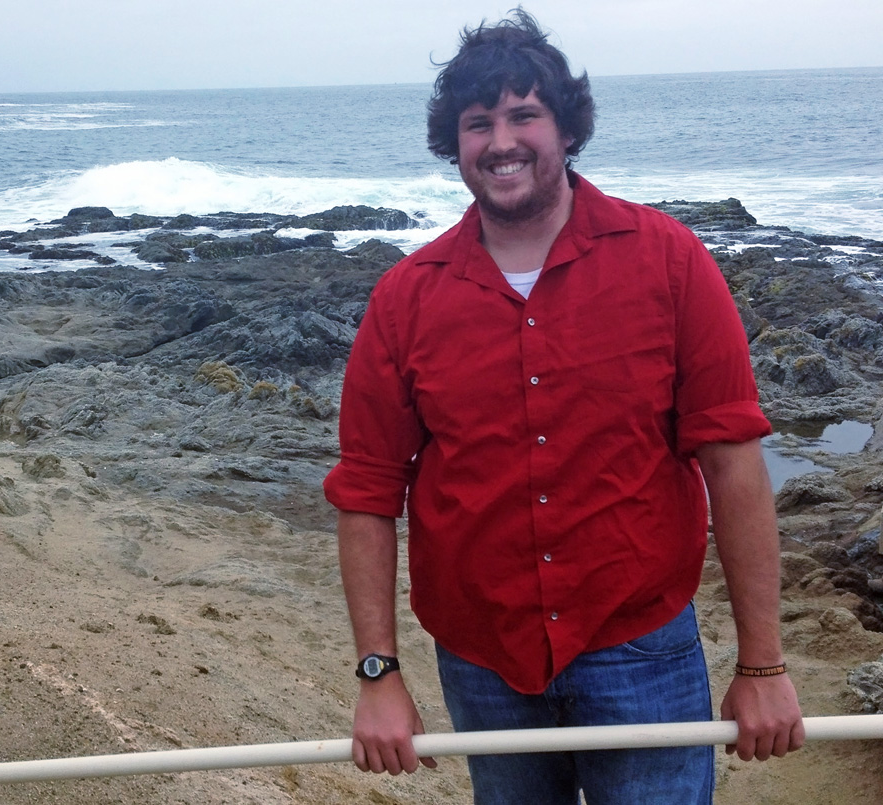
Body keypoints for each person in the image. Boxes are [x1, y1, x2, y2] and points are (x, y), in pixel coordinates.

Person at [323, 9, 804, 803]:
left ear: (566, 128)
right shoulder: (406, 297)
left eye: (524, 115)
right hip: (482, 662)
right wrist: (378, 673)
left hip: (641, 646)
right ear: (455, 143)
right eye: (479, 123)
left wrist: (763, 664)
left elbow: (732, 460)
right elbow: (368, 491)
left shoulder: (670, 261)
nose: (501, 140)